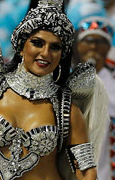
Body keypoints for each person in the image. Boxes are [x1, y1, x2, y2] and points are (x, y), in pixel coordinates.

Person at [0, 0, 108, 180]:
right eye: (37, 43)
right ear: (20, 46)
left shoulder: (66, 110)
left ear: (62, 54)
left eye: (55, 47)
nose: (45, 53)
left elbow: (86, 172)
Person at [71, 14, 115, 180]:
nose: (94, 46)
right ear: (78, 45)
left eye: (101, 41)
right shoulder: (67, 75)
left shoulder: (112, 77)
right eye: (88, 40)